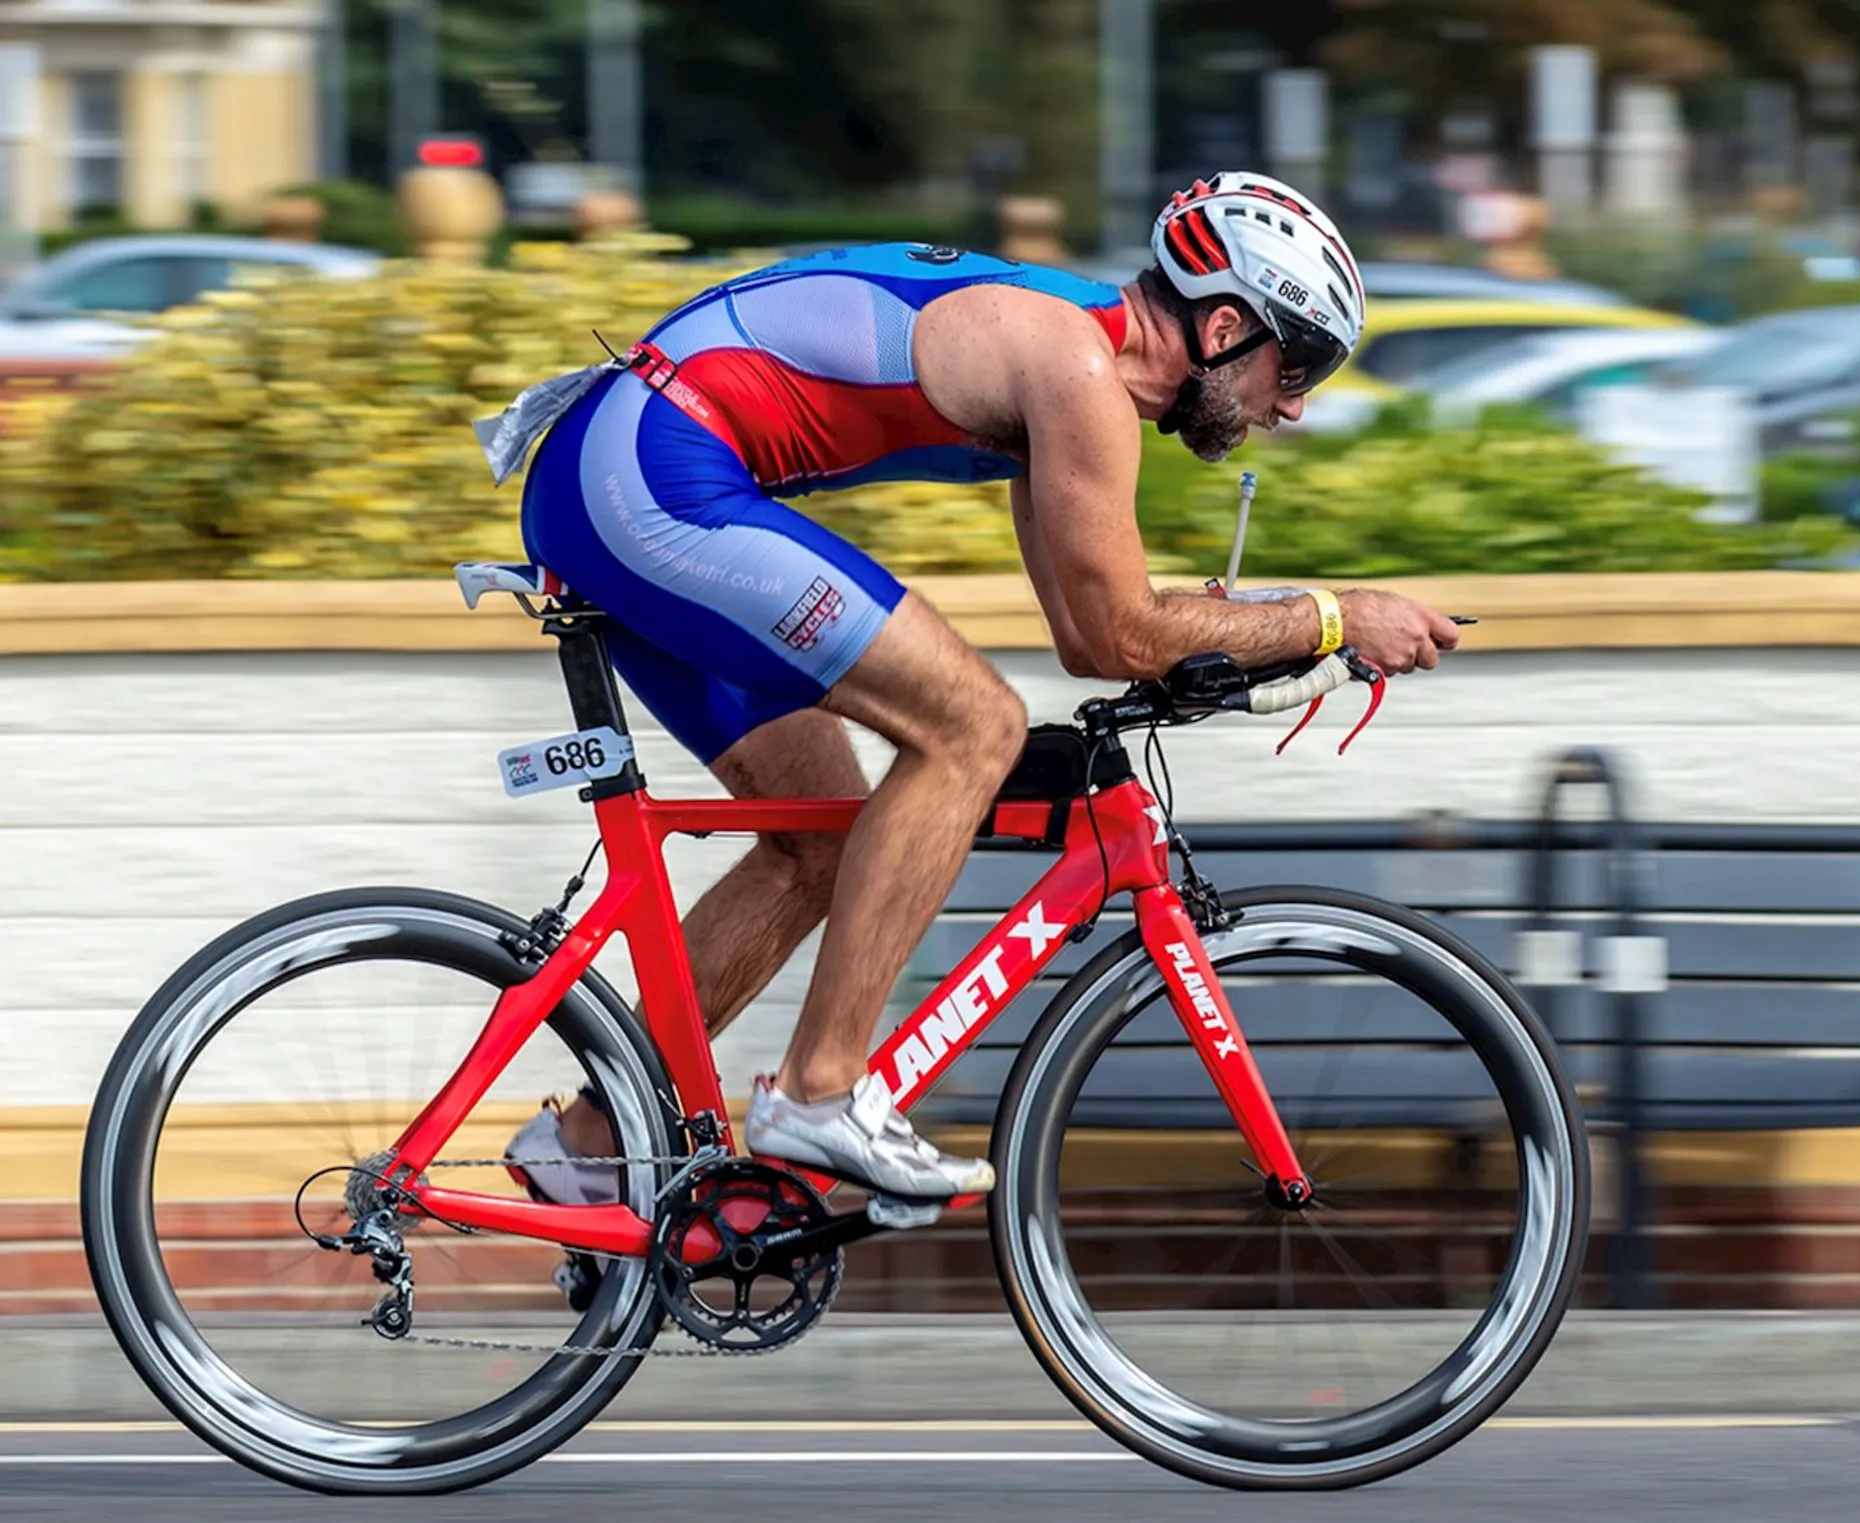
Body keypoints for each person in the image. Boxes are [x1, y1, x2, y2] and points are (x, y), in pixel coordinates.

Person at [493, 171, 1461, 1213]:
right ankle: (821, 1093)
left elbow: (1096, 642)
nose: (1297, 402)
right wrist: (1331, 616)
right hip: (655, 472)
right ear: (1225, 325)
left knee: (821, 841)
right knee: (973, 727)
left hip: (615, 468)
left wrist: (1259, 630)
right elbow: (1126, 631)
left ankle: (591, 1140)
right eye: (1299, 359)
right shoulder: (1080, 373)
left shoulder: (1065, 360)